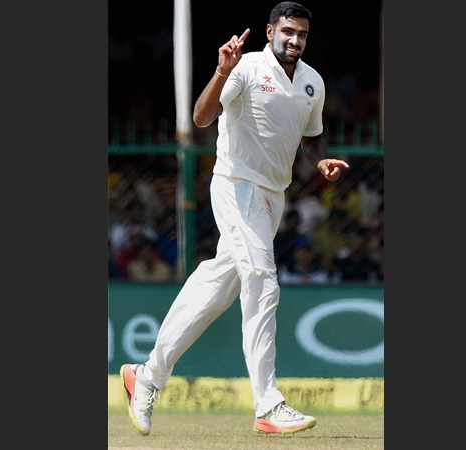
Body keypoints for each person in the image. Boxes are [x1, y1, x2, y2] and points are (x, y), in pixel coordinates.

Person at [120, 1, 350, 437]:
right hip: (236, 186)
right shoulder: (245, 68)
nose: (295, 40)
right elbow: (201, 117)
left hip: (272, 197)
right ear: (270, 31)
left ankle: (147, 375)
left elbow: (312, 138)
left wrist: (319, 162)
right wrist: (222, 71)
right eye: (287, 31)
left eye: (302, 34)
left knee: (215, 287)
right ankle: (268, 404)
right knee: (262, 280)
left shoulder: (312, 83)